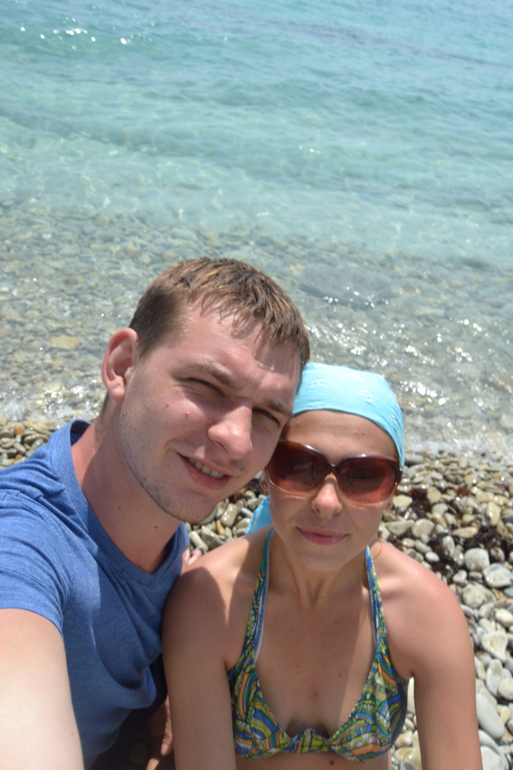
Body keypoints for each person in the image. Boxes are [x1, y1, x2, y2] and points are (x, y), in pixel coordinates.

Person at [0, 258, 310, 770]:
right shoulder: (21, 549)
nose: (236, 440)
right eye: (208, 387)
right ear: (123, 366)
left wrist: (164, 682)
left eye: (266, 414)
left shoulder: (158, 513)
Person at [163, 363, 482, 770]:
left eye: (364, 476)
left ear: (391, 493)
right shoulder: (210, 602)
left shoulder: (425, 613)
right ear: (266, 472)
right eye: (299, 466)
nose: (327, 503)